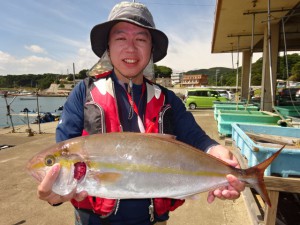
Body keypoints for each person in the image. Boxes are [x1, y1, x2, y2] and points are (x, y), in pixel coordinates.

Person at [37, 2, 245, 225]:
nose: (130, 48)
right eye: (120, 38)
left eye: (141, 39)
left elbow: (197, 139)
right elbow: (65, 152)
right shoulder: (83, 93)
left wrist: (217, 152)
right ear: (108, 45)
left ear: (151, 49)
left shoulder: (168, 100)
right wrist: (56, 194)